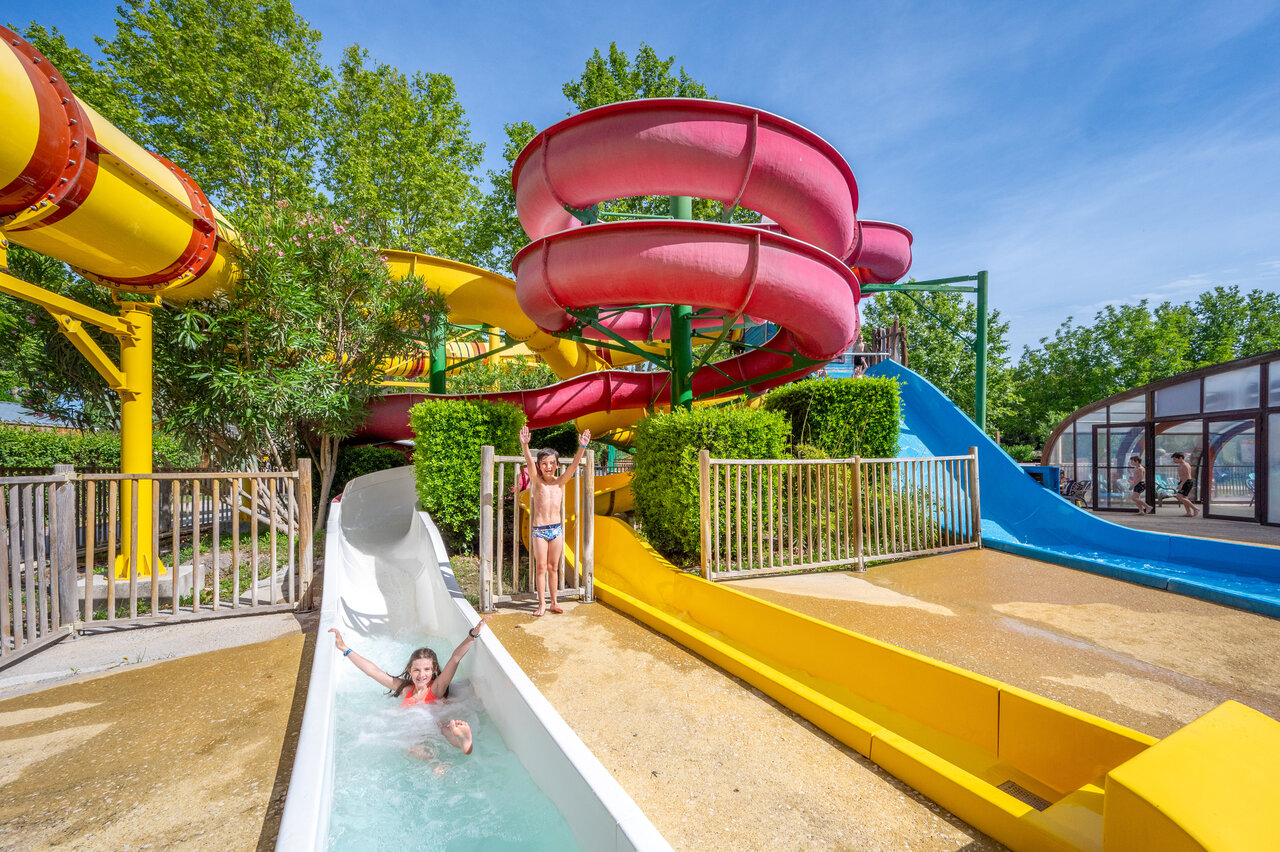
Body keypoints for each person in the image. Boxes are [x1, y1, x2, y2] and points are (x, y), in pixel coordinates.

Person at [328, 616, 492, 755]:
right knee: (411, 746)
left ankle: (463, 743)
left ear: (434, 669)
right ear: (409, 670)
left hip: (436, 724)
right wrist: (345, 649)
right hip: (416, 730)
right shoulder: (405, 689)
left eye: (427, 669)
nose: (422, 675)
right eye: (417, 670)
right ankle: (435, 763)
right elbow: (373, 671)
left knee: (444, 729)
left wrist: (472, 635)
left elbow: (455, 659)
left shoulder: (436, 688)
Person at [519, 424, 590, 617]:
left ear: (557, 465)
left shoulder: (560, 482)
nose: (548, 467)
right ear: (539, 466)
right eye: (544, 463)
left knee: (553, 567)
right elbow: (529, 461)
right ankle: (542, 604)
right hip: (540, 531)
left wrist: (582, 447)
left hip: (556, 530)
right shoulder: (537, 481)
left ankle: (554, 602)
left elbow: (574, 466)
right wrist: (525, 445)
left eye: (551, 463)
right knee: (541, 567)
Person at [1171, 452, 1199, 517]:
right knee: (1184, 498)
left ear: (1180, 458)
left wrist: (1181, 484)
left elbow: (1187, 476)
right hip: (1184, 482)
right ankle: (1189, 512)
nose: (1173, 461)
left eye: (1175, 459)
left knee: (1179, 497)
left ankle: (1195, 508)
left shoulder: (1185, 465)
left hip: (1186, 482)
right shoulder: (1181, 465)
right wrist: (1180, 482)